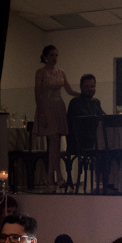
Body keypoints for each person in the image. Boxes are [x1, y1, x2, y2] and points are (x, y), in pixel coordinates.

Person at [35, 44, 77, 190]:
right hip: (46, 106)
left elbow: (69, 90)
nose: (55, 58)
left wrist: (84, 94)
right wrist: (41, 113)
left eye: (56, 55)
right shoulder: (40, 73)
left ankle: (51, 176)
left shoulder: (61, 72)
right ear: (45, 57)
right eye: (52, 55)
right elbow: (37, 94)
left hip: (59, 105)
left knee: (56, 143)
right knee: (53, 141)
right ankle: (56, 176)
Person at [66, 73, 106, 155]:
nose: (90, 89)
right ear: (81, 87)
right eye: (86, 86)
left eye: (92, 86)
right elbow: (84, 122)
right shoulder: (75, 102)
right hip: (80, 142)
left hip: (94, 139)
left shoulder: (96, 102)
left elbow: (103, 117)